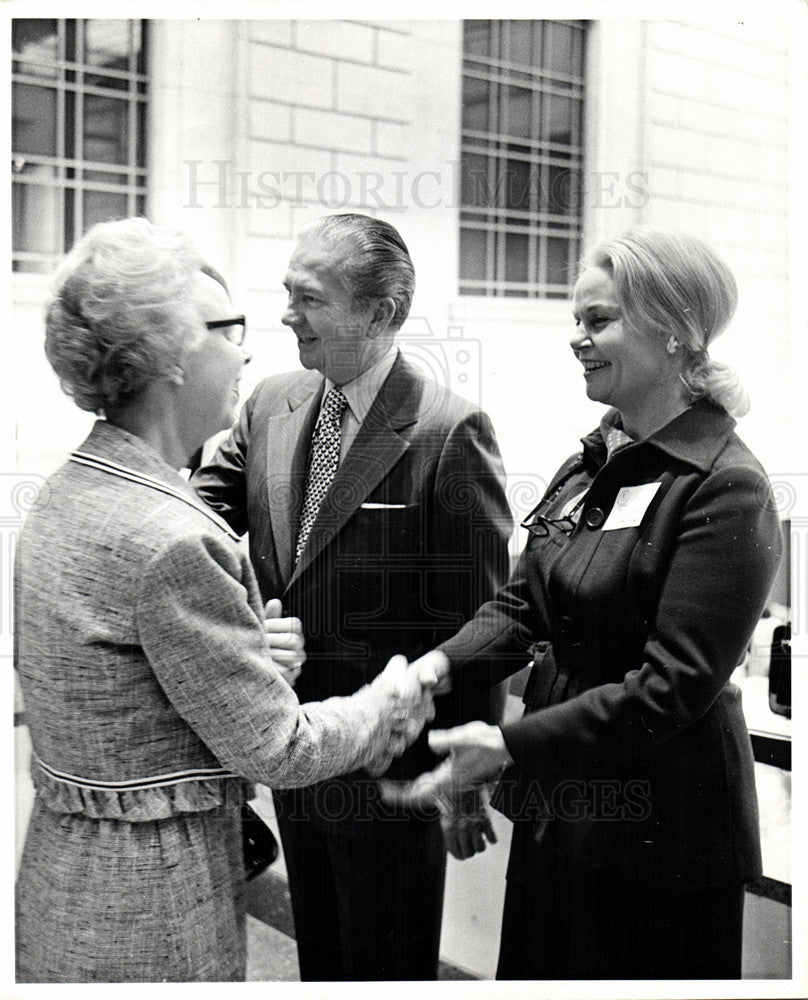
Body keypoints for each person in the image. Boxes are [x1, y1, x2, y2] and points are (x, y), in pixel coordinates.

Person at [14, 217, 442, 984]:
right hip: (154, 912)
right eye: (230, 329)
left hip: (65, 885)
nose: (248, 350)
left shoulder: (70, 492)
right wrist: (387, 701)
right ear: (173, 351)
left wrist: (242, 651)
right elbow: (280, 748)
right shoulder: (174, 536)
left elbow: (131, 674)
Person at [382, 228, 783, 980]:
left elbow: (673, 687)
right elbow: (523, 606)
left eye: (598, 321)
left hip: (661, 839)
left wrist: (507, 745)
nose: (576, 339)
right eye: (576, 320)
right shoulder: (593, 462)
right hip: (557, 814)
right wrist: (432, 670)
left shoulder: (726, 487)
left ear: (674, 333)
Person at [192, 213, 513, 980]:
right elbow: (194, 525)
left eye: (309, 298)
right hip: (295, 750)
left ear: (381, 312)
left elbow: (485, 622)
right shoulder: (269, 402)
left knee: (385, 969)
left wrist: (464, 777)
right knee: (323, 965)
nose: (286, 315)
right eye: (287, 293)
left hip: (394, 775)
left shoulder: (449, 432)